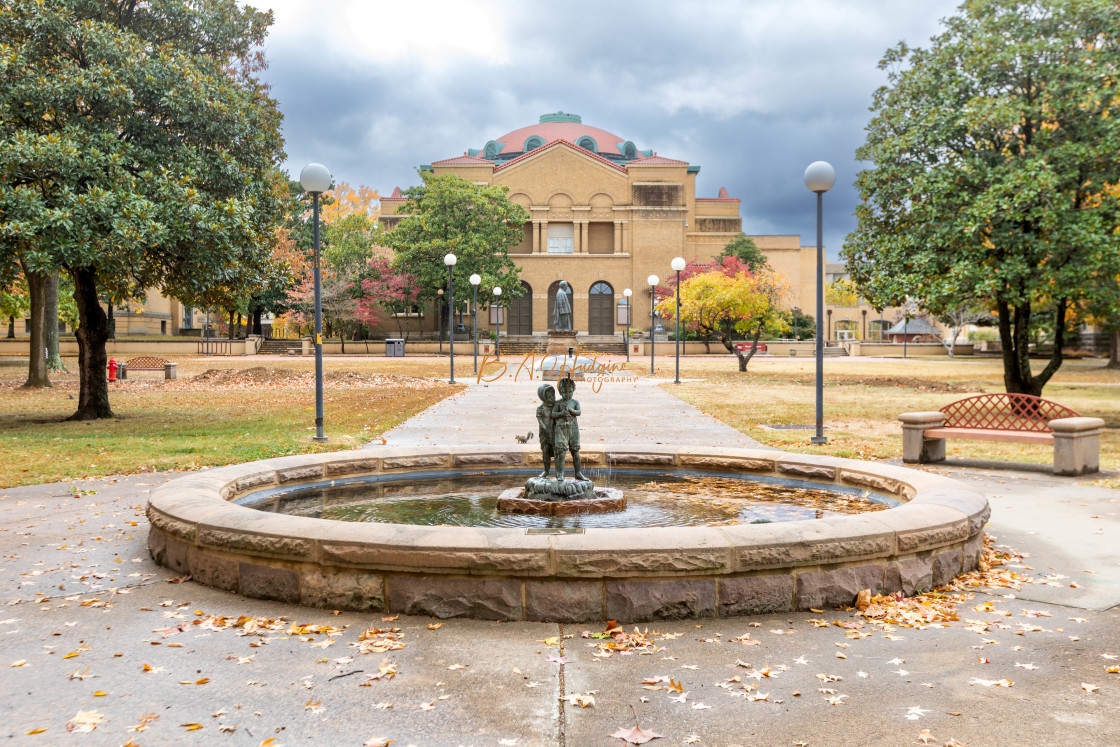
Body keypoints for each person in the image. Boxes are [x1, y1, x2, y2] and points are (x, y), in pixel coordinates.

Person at [550, 376, 583, 480]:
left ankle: (578, 473)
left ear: (573, 390)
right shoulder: (558, 403)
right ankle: (560, 474)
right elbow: (553, 414)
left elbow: (579, 412)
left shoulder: (575, 402)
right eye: (564, 392)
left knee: (575, 451)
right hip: (561, 429)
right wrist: (561, 413)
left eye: (570, 391)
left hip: (573, 428)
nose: (567, 394)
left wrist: (572, 411)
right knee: (561, 452)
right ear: (560, 392)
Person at [535, 384, 556, 478]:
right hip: (544, 433)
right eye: (549, 396)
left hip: (555, 432)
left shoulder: (556, 406)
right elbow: (539, 420)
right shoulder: (540, 408)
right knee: (545, 452)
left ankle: (559, 472)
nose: (552, 398)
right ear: (543, 398)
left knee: (557, 452)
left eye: (553, 395)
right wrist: (545, 428)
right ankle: (546, 471)